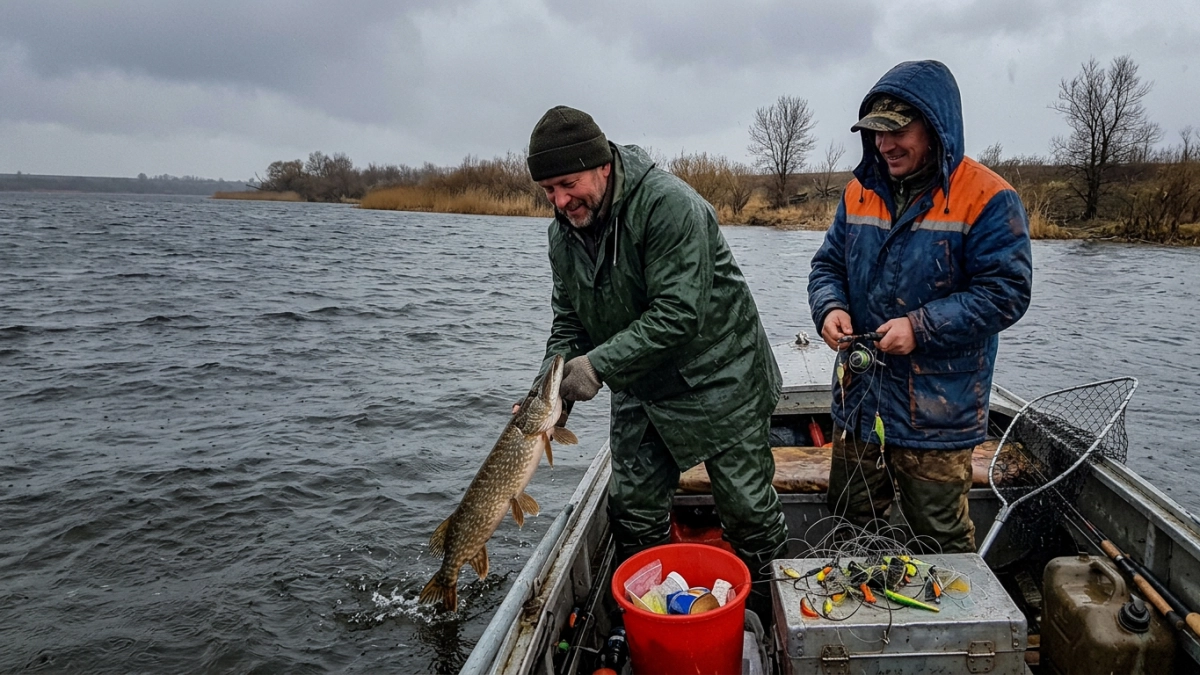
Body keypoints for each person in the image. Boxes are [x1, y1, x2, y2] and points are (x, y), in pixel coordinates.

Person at [525, 105, 789, 607]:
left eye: (567, 183)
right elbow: (569, 322)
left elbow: (678, 314)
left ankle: (766, 615)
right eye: (548, 192)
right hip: (641, 379)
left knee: (748, 510)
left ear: (602, 165)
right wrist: (548, 387)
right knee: (632, 509)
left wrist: (596, 366)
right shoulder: (562, 236)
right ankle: (652, 613)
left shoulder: (669, 206)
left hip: (720, 374)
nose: (560, 201)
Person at [807, 61, 1033, 553]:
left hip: (937, 413)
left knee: (939, 539)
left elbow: (1007, 293)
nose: (884, 145)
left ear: (935, 128)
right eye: (875, 134)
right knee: (850, 524)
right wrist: (829, 309)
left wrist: (920, 327)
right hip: (859, 402)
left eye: (897, 132)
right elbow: (826, 267)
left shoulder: (990, 197)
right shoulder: (857, 191)